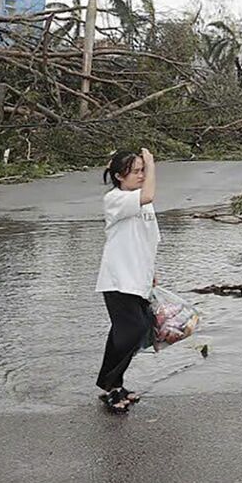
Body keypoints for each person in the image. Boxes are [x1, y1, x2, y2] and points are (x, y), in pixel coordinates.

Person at [95, 147, 157, 413]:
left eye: (144, 170)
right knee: (131, 332)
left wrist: (152, 271)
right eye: (136, 171)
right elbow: (149, 194)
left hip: (137, 278)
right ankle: (110, 387)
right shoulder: (115, 198)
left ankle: (114, 384)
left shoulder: (142, 201)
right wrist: (152, 164)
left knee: (136, 331)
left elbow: (148, 239)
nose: (142, 175)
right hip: (118, 280)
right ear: (120, 176)